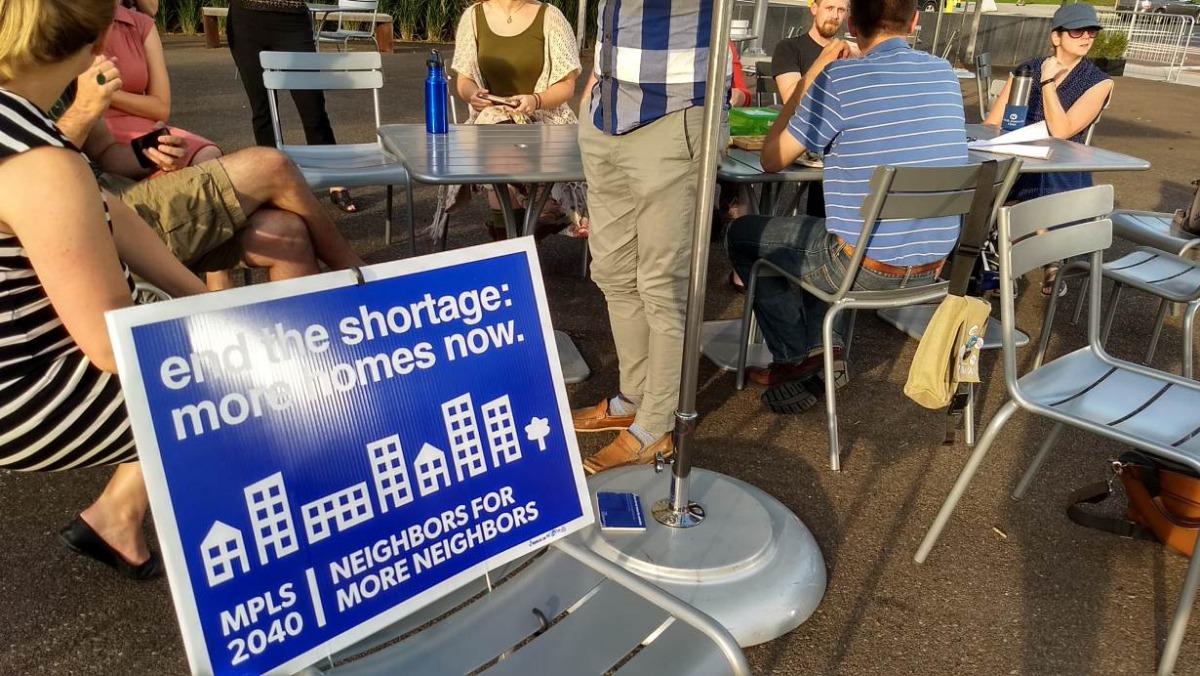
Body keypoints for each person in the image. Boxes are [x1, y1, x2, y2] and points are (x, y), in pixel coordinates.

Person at [0, 0, 211, 578]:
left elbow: (109, 210)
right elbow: (111, 343)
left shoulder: (19, 123)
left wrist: (207, 302)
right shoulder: (41, 159)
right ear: (97, 39)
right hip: (23, 395)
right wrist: (236, 340)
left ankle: (116, 518)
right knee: (260, 388)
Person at [727, 0, 968, 412]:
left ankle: (795, 356)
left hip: (860, 268)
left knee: (745, 235)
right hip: (938, 269)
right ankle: (825, 347)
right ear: (914, 22)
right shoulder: (945, 75)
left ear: (852, 25)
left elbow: (771, 158)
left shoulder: (841, 79)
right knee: (826, 228)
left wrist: (812, 77)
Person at [571, 1, 723, 474]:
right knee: (613, 272)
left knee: (661, 284)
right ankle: (633, 397)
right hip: (606, 111)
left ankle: (657, 424)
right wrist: (592, 88)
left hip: (674, 110)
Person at [53, 59, 366, 288]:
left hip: (117, 200)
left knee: (286, 232)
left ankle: (311, 360)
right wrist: (82, 110)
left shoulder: (66, 66)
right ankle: (362, 280)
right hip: (87, 228)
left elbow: (107, 153)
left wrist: (148, 154)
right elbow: (29, 178)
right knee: (271, 166)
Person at [984, 3, 1113, 296]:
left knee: (1041, 180)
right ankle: (1009, 260)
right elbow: (993, 121)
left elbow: (1063, 131)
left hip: (1063, 162)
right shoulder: (1026, 68)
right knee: (991, 180)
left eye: (1092, 31)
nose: (1087, 37)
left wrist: (1047, 82)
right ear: (1056, 36)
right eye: (1078, 30)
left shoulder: (1099, 82)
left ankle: (1044, 258)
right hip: (1018, 154)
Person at [450, 0, 585, 240]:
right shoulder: (473, 17)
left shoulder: (550, 16)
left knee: (499, 140)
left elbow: (567, 85)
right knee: (495, 130)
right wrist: (473, 94)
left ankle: (523, 229)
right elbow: (464, 80)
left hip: (545, 120)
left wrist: (535, 100)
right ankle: (539, 209)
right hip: (492, 122)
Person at [226, 0, 357, 212]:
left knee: (312, 105)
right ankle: (271, 181)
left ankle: (334, 177)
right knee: (262, 109)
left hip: (292, 19)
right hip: (245, 17)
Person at [103, 0, 223, 168]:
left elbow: (160, 108)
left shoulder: (140, 25)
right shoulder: (69, 23)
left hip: (140, 125)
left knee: (208, 155)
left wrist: (105, 91)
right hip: (96, 129)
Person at [769, 0, 851, 220]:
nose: (835, 15)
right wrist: (823, 62)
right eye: (829, 8)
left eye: (841, 10)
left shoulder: (849, 54)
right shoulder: (790, 47)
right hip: (799, 141)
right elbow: (791, 100)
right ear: (814, 8)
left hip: (834, 150)